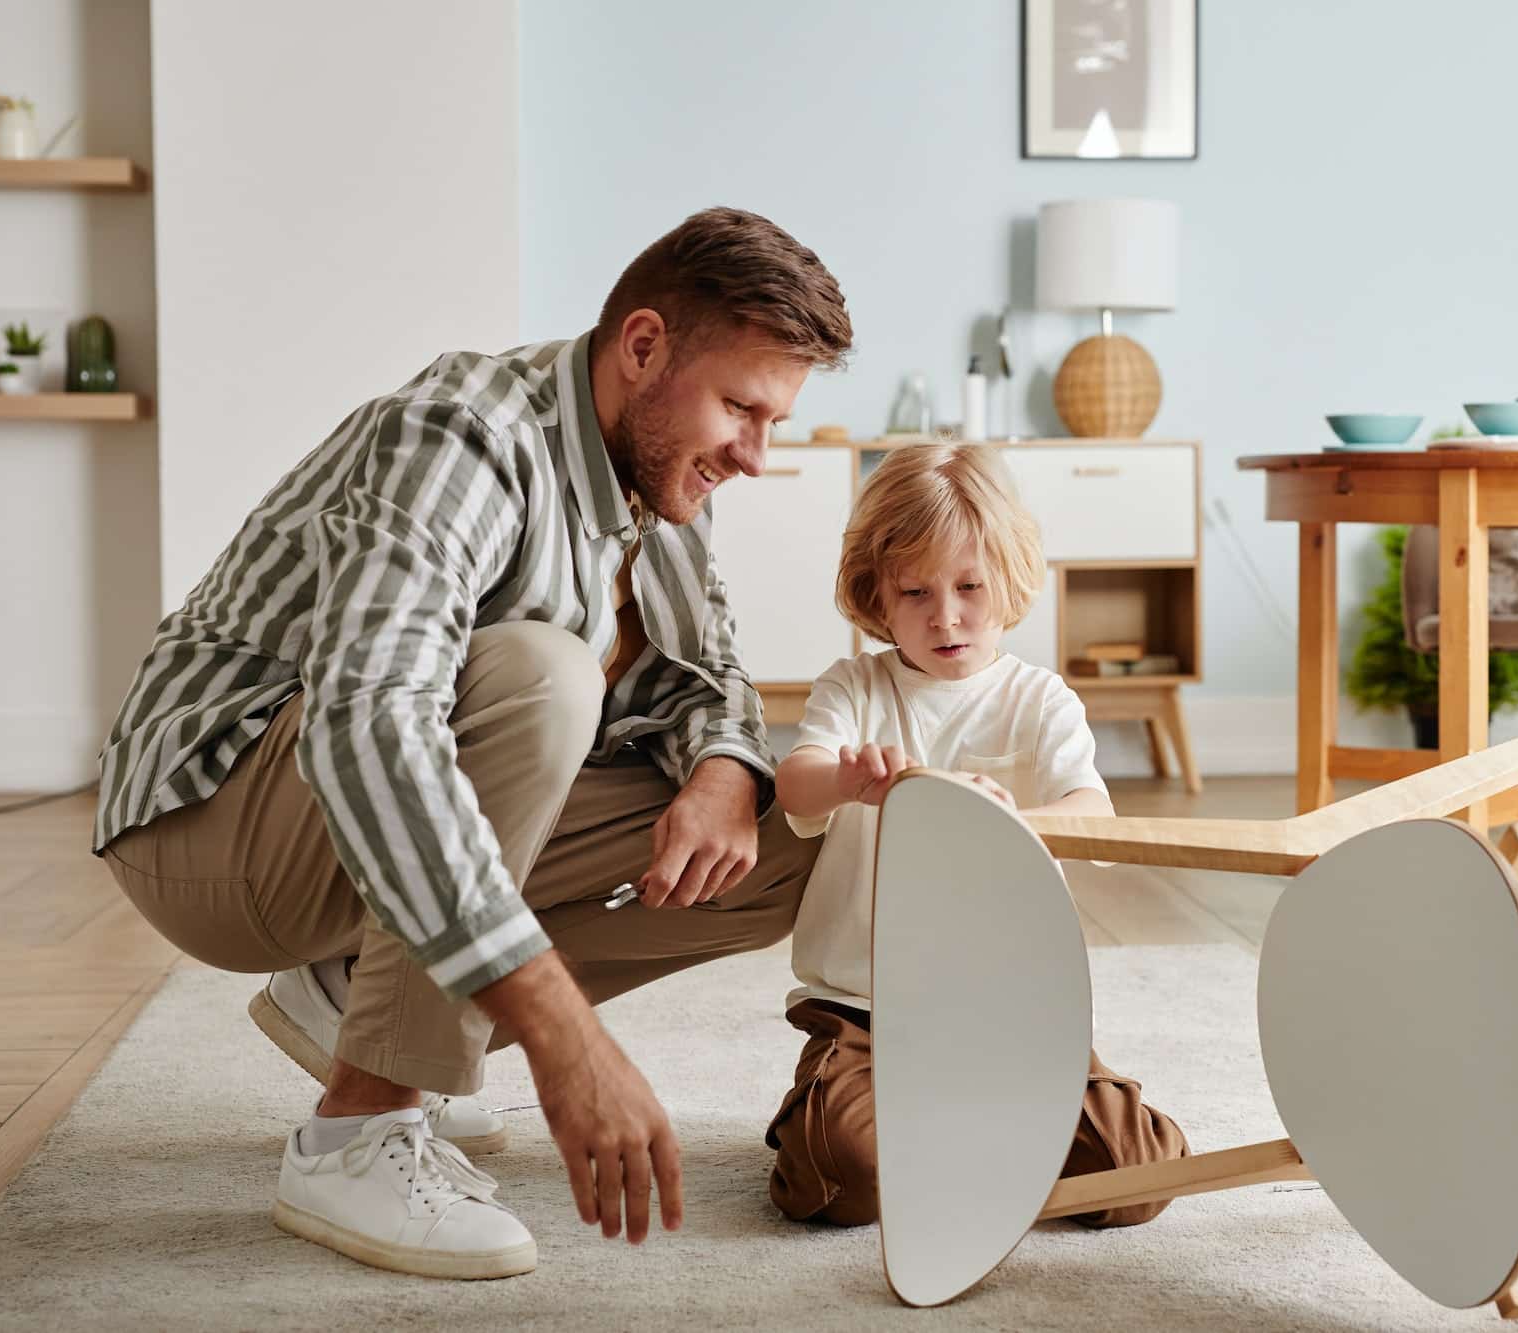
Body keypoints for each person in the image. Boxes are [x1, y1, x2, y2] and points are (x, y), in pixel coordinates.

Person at [90, 207, 852, 1279]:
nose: (755, 456)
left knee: (785, 846)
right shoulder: (460, 433)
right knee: (539, 678)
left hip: (340, 835)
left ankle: (363, 994)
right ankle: (358, 1130)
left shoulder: (664, 472)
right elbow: (372, 728)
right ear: (642, 348)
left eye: (773, 420)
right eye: (741, 409)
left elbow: (708, 669)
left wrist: (726, 769)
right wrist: (558, 1032)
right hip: (210, 827)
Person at [765, 443, 1189, 1228]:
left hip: (1012, 1004)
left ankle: (976, 1120)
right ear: (877, 596)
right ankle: (914, 1122)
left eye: (968, 586)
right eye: (915, 591)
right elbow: (795, 782)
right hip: (865, 1008)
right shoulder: (855, 688)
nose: (946, 615)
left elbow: (1093, 820)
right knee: (836, 1178)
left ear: (1009, 579)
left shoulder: (1039, 700)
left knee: (1136, 1176)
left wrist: (1014, 824)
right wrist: (851, 779)